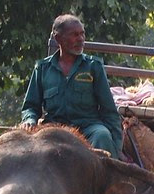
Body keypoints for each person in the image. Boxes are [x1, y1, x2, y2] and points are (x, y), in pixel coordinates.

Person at [20, 14, 122, 157]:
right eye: (74, 35)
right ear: (58, 39)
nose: (80, 39)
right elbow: (30, 106)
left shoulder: (94, 67)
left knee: (102, 135)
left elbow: (109, 111)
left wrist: (116, 147)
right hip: (54, 130)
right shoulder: (42, 69)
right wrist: (29, 119)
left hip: (88, 128)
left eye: (82, 34)